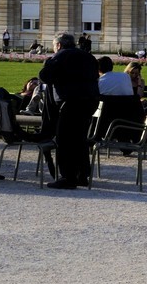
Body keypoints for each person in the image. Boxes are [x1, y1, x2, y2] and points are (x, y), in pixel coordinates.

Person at [38, 33, 100, 190]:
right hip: (90, 101)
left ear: (58, 45)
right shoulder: (88, 56)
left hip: (71, 101)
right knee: (80, 139)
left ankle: (68, 177)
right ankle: (82, 175)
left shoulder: (60, 56)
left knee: (64, 139)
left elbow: (44, 76)